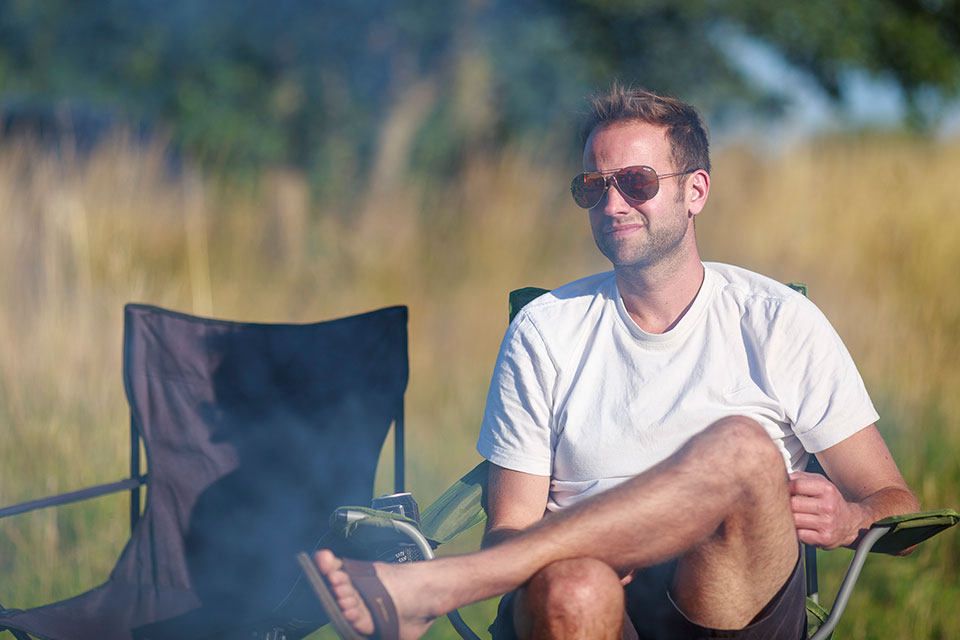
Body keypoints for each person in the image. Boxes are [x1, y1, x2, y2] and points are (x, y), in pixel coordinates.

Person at [306, 85, 919, 640]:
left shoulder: (778, 321)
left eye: (637, 182)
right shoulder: (546, 329)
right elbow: (509, 529)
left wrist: (853, 518)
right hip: (585, 593)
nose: (614, 203)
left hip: (732, 598)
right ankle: (471, 582)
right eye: (593, 187)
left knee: (742, 448)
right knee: (575, 588)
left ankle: (444, 585)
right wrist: (599, 547)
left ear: (695, 191)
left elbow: (897, 503)